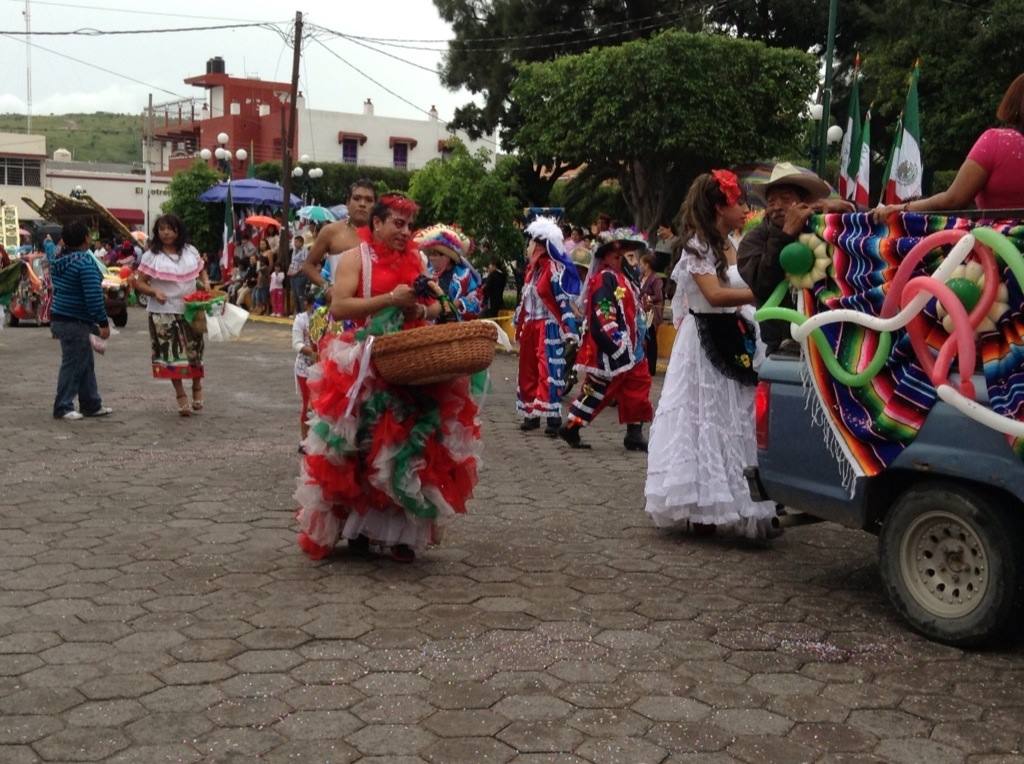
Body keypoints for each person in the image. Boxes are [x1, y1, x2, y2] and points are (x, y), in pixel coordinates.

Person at [294, 194, 482, 564]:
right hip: (363, 362)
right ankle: (358, 530)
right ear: (376, 224)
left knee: (408, 452)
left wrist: (420, 308)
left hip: (412, 364)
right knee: (359, 450)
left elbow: (436, 307)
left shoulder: (420, 261)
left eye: (408, 225)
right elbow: (340, 306)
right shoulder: (354, 258)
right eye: (397, 223)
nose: (405, 232)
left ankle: (401, 535)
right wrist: (389, 300)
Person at [645, 171, 778, 538]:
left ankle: (737, 502)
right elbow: (715, 295)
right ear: (720, 206)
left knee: (733, 417)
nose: (745, 209)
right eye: (739, 202)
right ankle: (704, 506)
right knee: (703, 418)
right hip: (703, 341)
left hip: (731, 335)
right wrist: (759, 295)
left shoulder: (729, 242)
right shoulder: (697, 245)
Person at [737, 162, 854, 355]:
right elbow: (762, 285)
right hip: (782, 345)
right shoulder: (753, 240)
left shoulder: (822, 228)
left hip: (831, 339)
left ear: (804, 202)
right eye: (772, 201)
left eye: (785, 199)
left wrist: (846, 210)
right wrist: (785, 235)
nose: (777, 207)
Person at [873, 73, 1024, 218]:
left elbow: (953, 200)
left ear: (1013, 103)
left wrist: (900, 208)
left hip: (999, 241)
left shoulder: (997, 141)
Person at [559, 229, 653, 451]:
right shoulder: (603, 279)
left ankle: (634, 433)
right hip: (612, 348)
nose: (622, 261)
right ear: (605, 258)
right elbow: (603, 311)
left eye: (626, 257)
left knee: (638, 387)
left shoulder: (626, 278)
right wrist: (615, 342)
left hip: (633, 348)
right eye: (616, 257)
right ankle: (572, 426)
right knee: (597, 390)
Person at [132, 214, 211, 417]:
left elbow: (201, 271)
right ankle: (180, 394)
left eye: (170, 228)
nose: (166, 233)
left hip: (190, 309)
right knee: (171, 355)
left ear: (178, 230)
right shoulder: (152, 256)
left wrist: (206, 284)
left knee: (195, 351)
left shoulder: (190, 252)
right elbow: (138, 282)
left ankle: (197, 387)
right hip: (163, 312)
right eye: (162, 229)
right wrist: (153, 292)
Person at [514, 216, 582, 436]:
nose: (528, 246)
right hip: (531, 326)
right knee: (528, 370)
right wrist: (519, 320)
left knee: (549, 370)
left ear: (541, 246)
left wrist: (570, 328)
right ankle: (531, 414)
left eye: (531, 242)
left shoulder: (552, 269)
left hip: (548, 327)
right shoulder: (531, 272)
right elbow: (525, 300)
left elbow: (562, 300)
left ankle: (553, 417)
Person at [48, 221, 112, 420]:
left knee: (84, 361)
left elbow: (51, 249)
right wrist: (103, 323)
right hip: (75, 319)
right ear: (86, 238)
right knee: (74, 363)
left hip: (61, 316)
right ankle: (63, 406)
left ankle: (91, 403)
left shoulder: (59, 260)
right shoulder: (84, 262)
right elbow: (93, 296)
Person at [302, 179, 377, 290]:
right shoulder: (331, 231)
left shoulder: (382, 235)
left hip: (374, 304)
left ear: (375, 205)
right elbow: (308, 266)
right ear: (347, 203)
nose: (362, 204)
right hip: (338, 303)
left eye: (369, 200)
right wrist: (326, 288)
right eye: (356, 198)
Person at [415, 224, 482, 320]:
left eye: (437, 254)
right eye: (431, 254)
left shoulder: (464, 275)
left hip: (458, 328)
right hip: (431, 330)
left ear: (448, 257)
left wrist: (459, 303)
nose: (432, 258)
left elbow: (476, 302)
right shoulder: (427, 275)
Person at [291, 293, 317, 450]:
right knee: (308, 404)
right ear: (307, 304)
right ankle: (305, 440)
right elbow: (297, 344)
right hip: (305, 368)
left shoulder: (330, 318)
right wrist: (314, 354)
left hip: (325, 366)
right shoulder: (301, 319)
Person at [639, 252, 665, 376]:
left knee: (651, 338)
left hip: (651, 313)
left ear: (647, 265)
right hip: (641, 311)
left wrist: (647, 297)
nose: (640, 266)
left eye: (642, 264)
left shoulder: (656, 279)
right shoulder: (640, 277)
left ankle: (651, 367)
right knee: (643, 337)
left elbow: (659, 295)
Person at [288, 234, 310, 313]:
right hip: (292, 275)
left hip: (300, 275)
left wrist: (296, 272)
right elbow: (292, 262)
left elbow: (304, 264)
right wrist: (289, 271)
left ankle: (303, 312)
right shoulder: (294, 250)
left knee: (300, 295)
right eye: (294, 242)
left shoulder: (305, 250)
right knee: (295, 295)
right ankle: (298, 313)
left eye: (296, 242)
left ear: (301, 242)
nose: (295, 243)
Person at [252, 241, 272, 315]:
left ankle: (268, 309)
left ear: (267, 244)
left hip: (266, 274)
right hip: (260, 274)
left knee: (264, 293)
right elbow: (258, 265)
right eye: (260, 244)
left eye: (263, 244)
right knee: (259, 292)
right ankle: (261, 307)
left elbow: (270, 264)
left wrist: (267, 274)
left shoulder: (269, 252)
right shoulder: (259, 253)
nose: (262, 245)